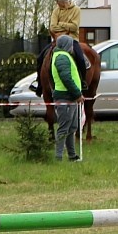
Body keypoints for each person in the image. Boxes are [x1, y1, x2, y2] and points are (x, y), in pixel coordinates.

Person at [50, 34, 84, 162]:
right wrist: (77, 94)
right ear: (66, 45)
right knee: (64, 128)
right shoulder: (62, 58)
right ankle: (58, 157)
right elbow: (66, 78)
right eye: (70, 44)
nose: (72, 47)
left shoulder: (64, 56)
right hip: (66, 97)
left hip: (71, 98)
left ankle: (72, 155)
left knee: (72, 127)